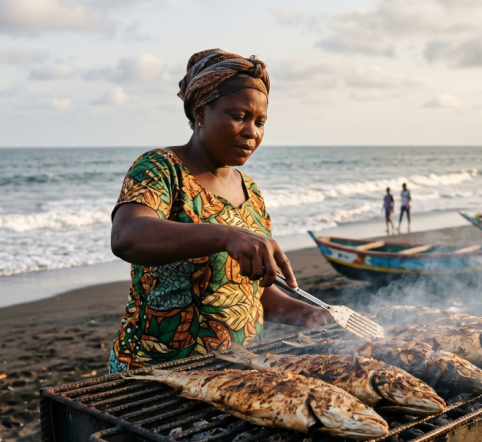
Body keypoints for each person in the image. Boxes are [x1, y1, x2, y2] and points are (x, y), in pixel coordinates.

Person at [106, 49, 331, 373]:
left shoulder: (250, 191)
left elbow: (254, 293)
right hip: (155, 376)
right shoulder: (160, 167)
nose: (252, 132)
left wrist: (308, 315)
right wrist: (225, 235)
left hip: (236, 373)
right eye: (239, 116)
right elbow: (127, 237)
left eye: (260, 121)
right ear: (200, 112)